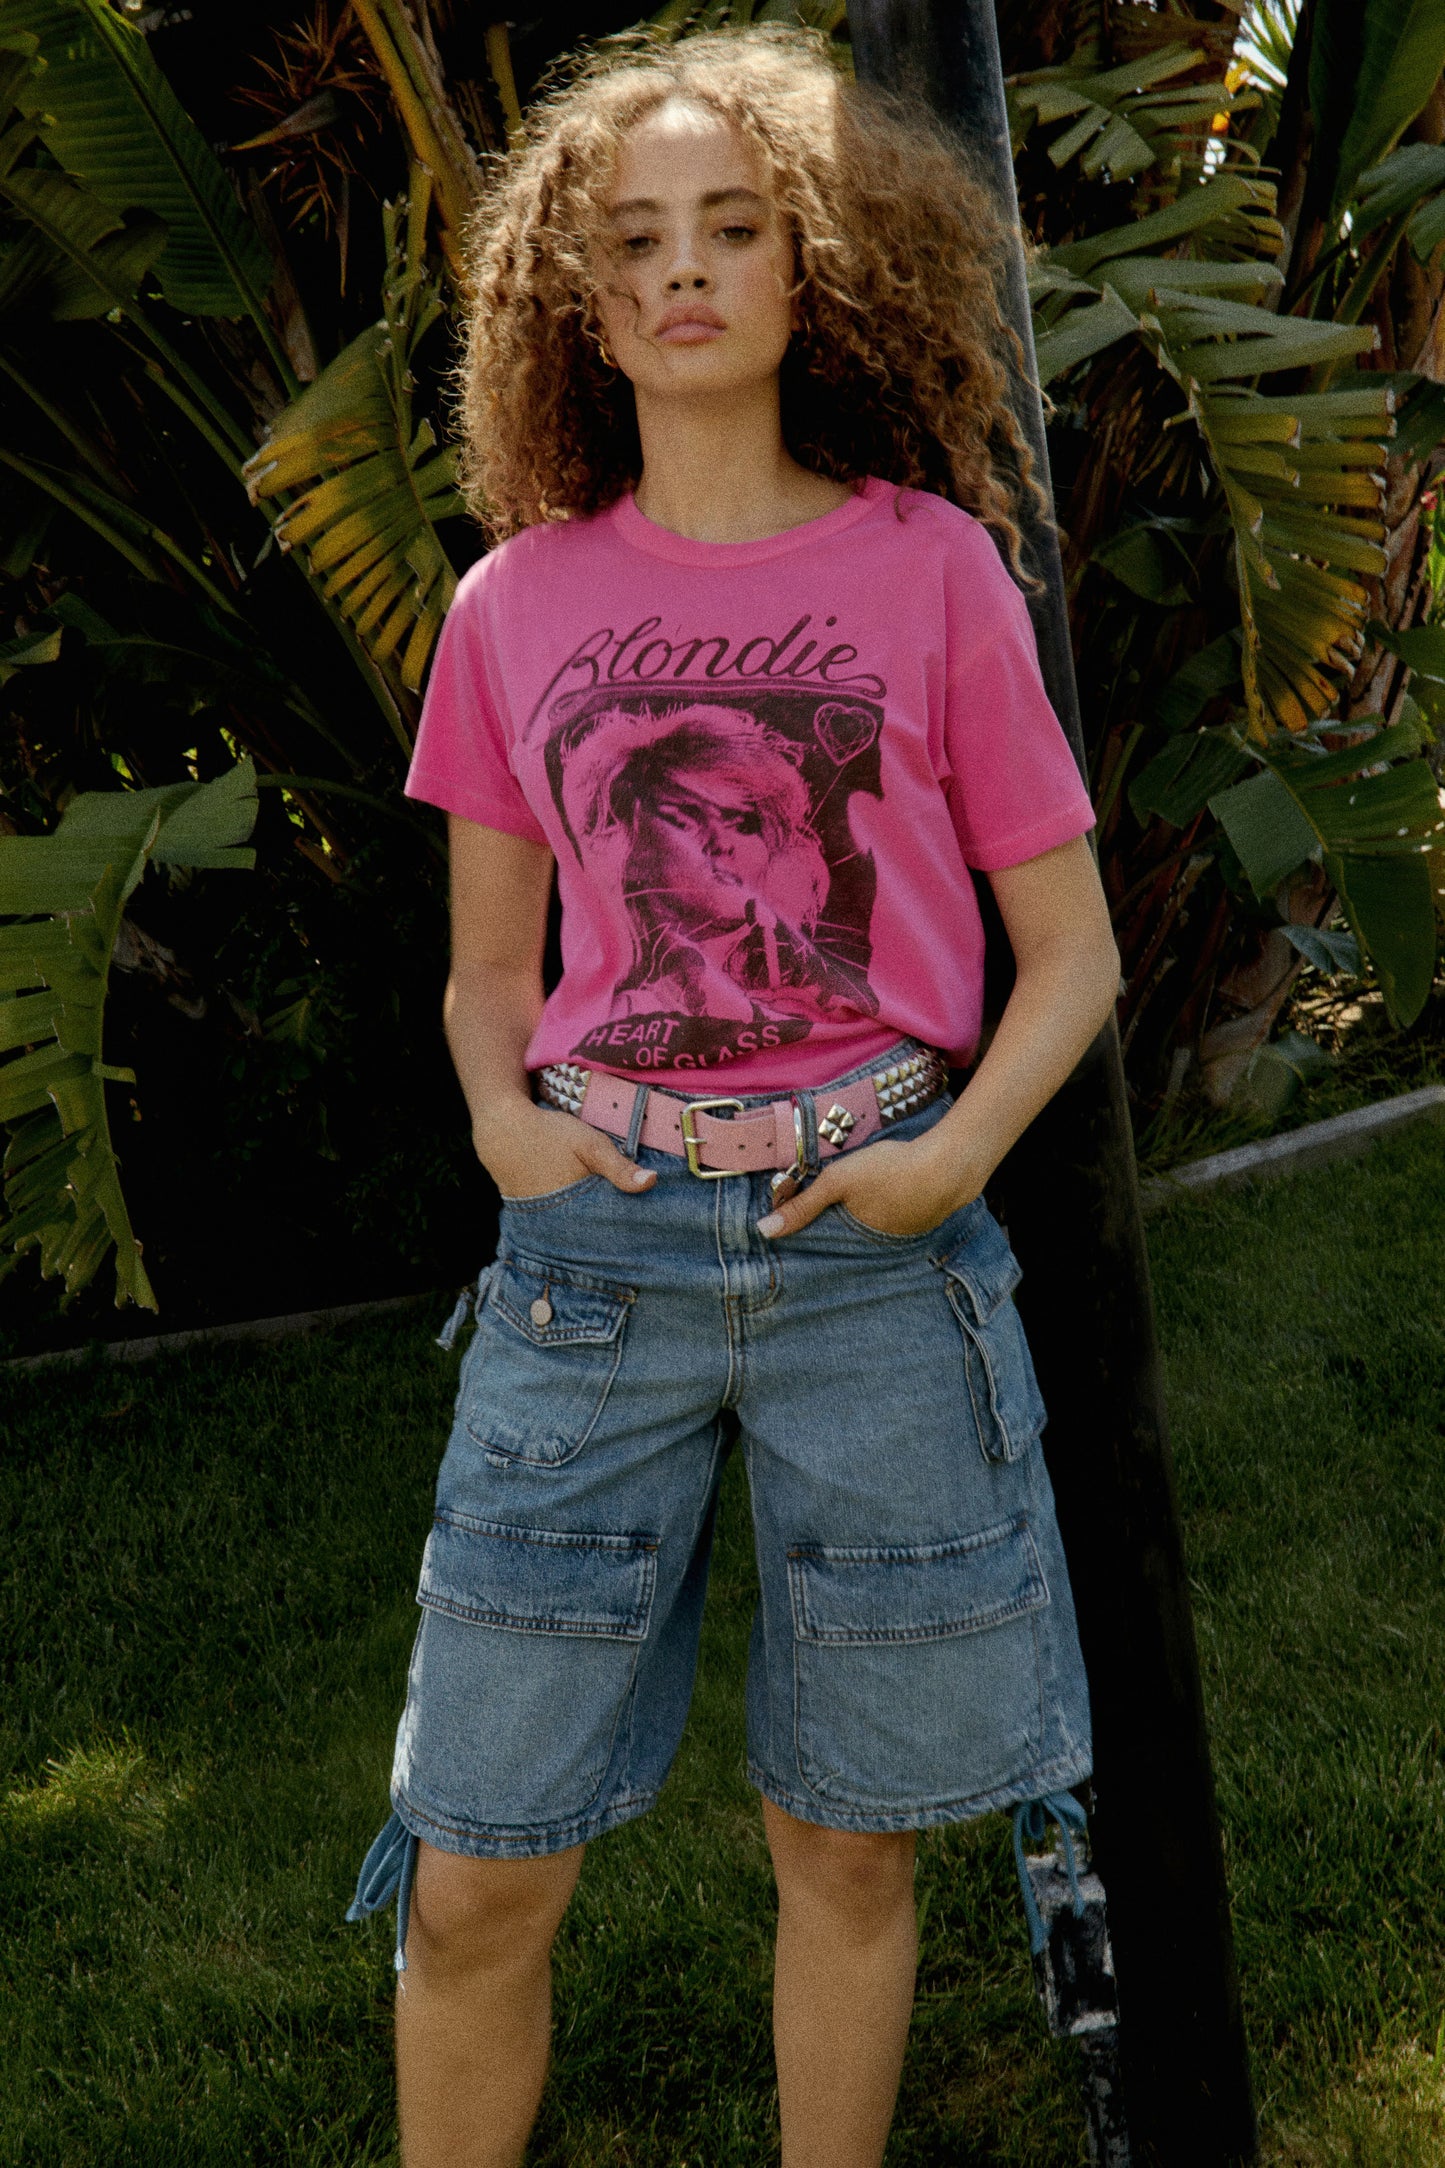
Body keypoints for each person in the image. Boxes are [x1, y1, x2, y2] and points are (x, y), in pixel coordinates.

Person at [347, 26, 1121, 2168]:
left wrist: (951, 1157)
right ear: (578, 306)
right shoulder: (518, 609)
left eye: (733, 229)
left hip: (872, 1254)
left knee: (847, 1846)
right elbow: (485, 972)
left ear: (810, 270)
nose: (684, 274)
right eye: (635, 244)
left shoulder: (931, 569)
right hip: (589, 1264)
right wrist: (509, 1125)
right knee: (479, 1851)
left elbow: (1073, 954)